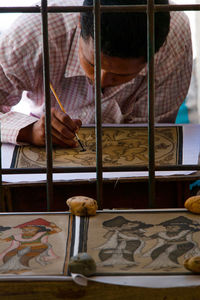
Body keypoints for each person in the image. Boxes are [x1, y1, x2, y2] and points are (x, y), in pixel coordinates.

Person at [0, 0, 192, 147]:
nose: (100, 79)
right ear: (80, 24)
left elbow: (151, 137)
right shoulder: (35, 33)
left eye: (121, 75)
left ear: (155, 53)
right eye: (92, 63)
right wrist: (29, 132)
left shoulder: (174, 39)